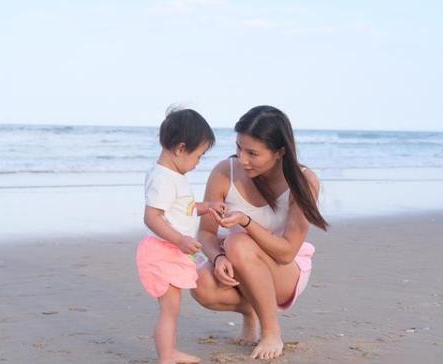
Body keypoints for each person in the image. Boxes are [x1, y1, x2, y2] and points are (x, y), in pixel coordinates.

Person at [190, 105, 328, 360]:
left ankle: (271, 331)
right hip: (234, 258)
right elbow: (206, 233)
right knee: (200, 284)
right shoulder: (224, 172)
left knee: (239, 242)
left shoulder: (303, 181)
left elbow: (287, 252)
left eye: (253, 153)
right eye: (239, 148)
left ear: (279, 152)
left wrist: (246, 222)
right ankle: (251, 310)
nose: (242, 159)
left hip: (284, 270)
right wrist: (217, 259)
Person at [136, 108, 227, 364]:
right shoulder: (163, 178)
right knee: (170, 308)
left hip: (171, 251)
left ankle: (169, 352)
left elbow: (181, 208)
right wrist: (180, 239)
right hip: (162, 251)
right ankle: (167, 356)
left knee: (172, 308)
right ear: (181, 148)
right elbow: (152, 217)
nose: (198, 162)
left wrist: (205, 206)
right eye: (198, 156)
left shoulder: (174, 176)